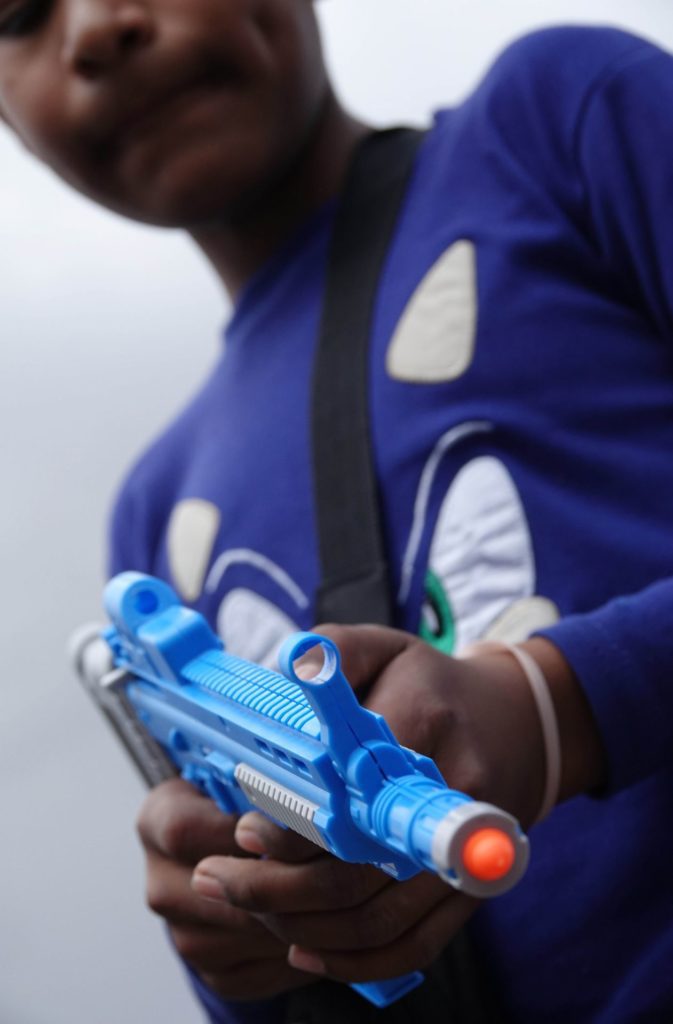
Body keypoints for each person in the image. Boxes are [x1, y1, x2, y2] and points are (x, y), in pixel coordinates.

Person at [3, 2, 672, 1021]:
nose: (95, 27)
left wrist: (558, 706)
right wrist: (239, 938)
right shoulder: (152, 511)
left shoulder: (556, 120)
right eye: (17, 16)